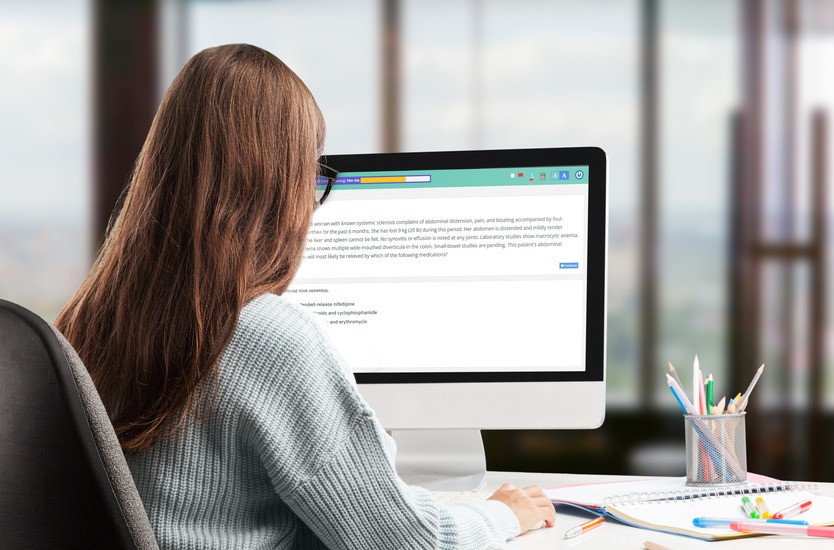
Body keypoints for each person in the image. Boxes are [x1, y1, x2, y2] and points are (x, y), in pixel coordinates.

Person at [55, 44, 555, 549]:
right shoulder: (269, 339)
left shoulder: (85, 325)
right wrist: (503, 514)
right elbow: (404, 542)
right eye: (313, 175)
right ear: (278, 186)